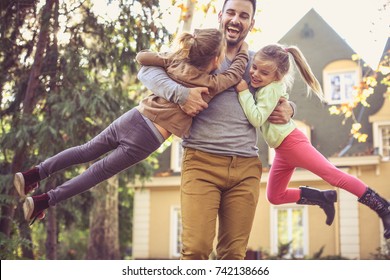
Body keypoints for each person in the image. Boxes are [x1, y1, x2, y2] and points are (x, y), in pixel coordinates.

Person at [14, 28, 249, 225]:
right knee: (98, 172)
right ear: (216, 60)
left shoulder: (175, 61)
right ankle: (42, 201)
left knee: (86, 150)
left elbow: (143, 58)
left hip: (134, 116)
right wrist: (244, 50)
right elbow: (236, 72)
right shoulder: (211, 83)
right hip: (148, 137)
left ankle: (33, 174)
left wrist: (171, 54)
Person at [137, 0, 295, 260]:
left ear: (251, 24)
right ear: (220, 15)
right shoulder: (200, 51)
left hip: (245, 167)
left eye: (244, 16)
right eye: (231, 12)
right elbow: (147, 70)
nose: (236, 19)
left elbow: (279, 95)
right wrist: (181, 94)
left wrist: (290, 108)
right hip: (201, 162)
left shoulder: (258, 63)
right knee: (196, 250)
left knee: (233, 255)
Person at [234, 43, 390, 239]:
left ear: (277, 76)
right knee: (274, 196)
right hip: (282, 151)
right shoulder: (265, 84)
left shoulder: (271, 89)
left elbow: (256, 118)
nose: (254, 74)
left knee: (334, 176)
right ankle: (322, 198)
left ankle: (383, 207)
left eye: (263, 72)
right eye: (254, 67)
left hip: (292, 143)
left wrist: (243, 92)